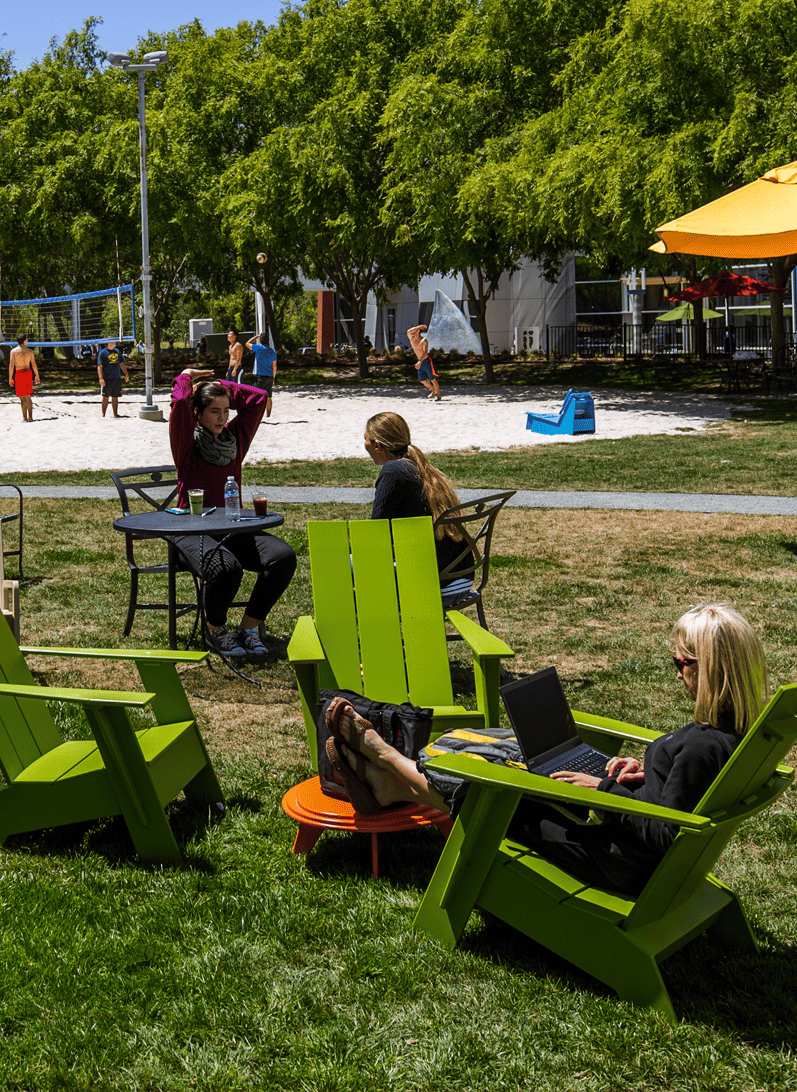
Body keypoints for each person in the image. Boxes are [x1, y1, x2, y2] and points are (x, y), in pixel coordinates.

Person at [327, 603, 768, 895]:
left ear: (708, 669)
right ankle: (391, 785)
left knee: (494, 792)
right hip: (633, 853)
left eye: (681, 663)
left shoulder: (700, 747)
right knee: (525, 768)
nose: (677, 673)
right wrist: (649, 774)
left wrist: (601, 791)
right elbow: (678, 802)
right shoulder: (732, 734)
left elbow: (664, 835)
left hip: (616, 862)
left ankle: (386, 761)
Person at [168, 367, 298, 660]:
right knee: (226, 568)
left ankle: (248, 628)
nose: (224, 417)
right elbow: (178, 405)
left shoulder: (235, 440)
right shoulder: (186, 444)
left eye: (227, 410)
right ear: (197, 414)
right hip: (192, 531)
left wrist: (218, 386)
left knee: (282, 557)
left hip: (232, 528)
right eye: (214, 411)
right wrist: (187, 378)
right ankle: (215, 630)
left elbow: (257, 398)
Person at [363, 412, 472, 580]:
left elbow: (377, 533)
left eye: (366, 439)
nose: (364, 444)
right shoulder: (421, 467)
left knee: (340, 563)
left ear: (377, 445)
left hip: (430, 585)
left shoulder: (393, 472)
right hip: (460, 580)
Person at [244, 331, 277, 418]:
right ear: (268, 341)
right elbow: (274, 366)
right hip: (269, 376)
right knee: (269, 396)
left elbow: (247, 343)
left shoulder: (258, 348)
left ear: (260, 341)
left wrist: (256, 336)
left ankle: (255, 414)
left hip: (261, 376)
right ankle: (268, 415)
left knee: (255, 395)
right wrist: (273, 378)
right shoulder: (273, 351)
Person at [9, 335, 41, 422]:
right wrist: (37, 375)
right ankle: (30, 417)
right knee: (27, 396)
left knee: (22, 397)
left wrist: (10, 377)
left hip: (19, 373)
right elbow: (33, 364)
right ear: (25, 340)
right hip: (27, 372)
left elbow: (11, 366)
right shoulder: (30, 351)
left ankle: (24, 418)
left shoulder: (13, 351)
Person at [407, 323, 441, 401]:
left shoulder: (423, 340)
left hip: (426, 361)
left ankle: (438, 395)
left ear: (418, 331)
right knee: (423, 381)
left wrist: (419, 362)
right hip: (420, 361)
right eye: (413, 330)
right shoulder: (412, 339)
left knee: (432, 379)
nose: (413, 332)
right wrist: (420, 327)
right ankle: (433, 390)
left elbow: (425, 352)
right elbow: (408, 331)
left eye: (415, 330)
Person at [97, 341, 126, 417]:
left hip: (117, 377)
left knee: (115, 396)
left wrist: (126, 374)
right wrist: (101, 378)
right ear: (107, 343)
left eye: (114, 343)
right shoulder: (103, 353)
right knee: (105, 396)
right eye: (111, 343)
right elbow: (99, 366)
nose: (113, 344)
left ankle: (115, 414)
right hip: (107, 378)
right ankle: (103, 414)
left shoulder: (117, 351)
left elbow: (122, 364)